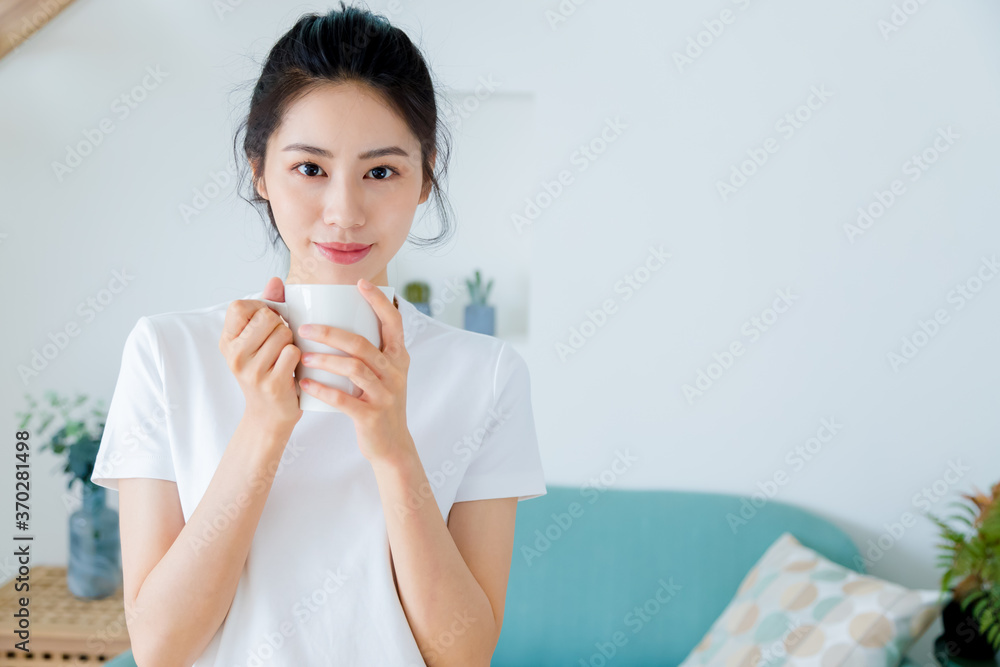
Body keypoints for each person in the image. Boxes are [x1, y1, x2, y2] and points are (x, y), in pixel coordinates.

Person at [89, 4, 547, 665]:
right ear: (259, 168)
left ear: (425, 178)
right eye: (310, 168)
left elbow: (464, 654)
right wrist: (263, 426)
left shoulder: (488, 374)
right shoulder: (167, 353)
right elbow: (160, 645)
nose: (344, 211)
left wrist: (394, 450)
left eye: (381, 171)